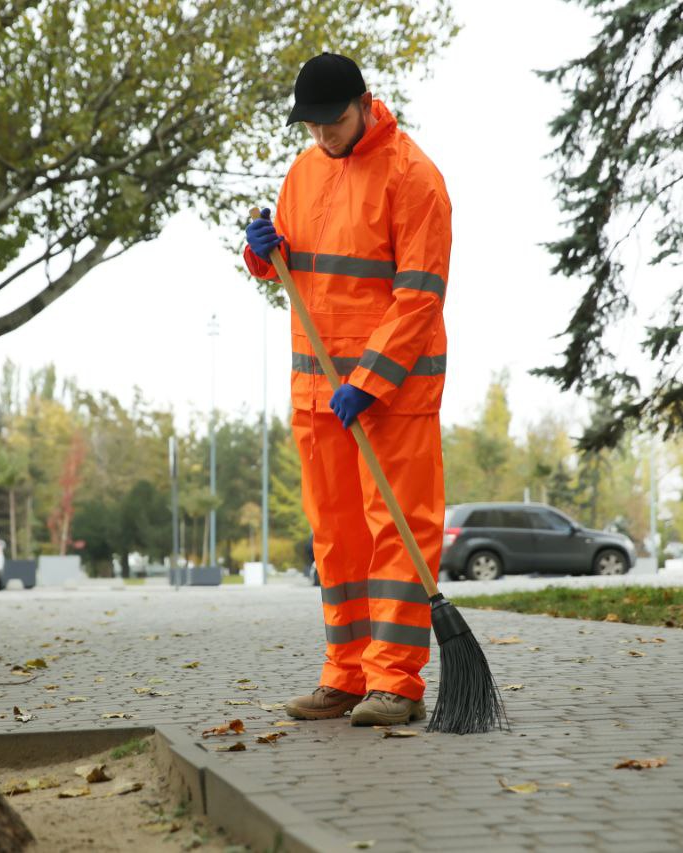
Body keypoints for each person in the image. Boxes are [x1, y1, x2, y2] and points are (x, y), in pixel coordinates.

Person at [243, 53, 451, 726]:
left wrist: (368, 381)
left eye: (332, 122)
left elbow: (418, 297)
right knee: (336, 536)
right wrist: (258, 250)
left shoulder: (414, 178)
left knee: (397, 532)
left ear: (364, 103)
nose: (323, 136)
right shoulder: (303, 172)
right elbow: (286, 270)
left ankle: (396, 682)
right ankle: (347, 673)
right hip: (316, 394)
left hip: (390, 394)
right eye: (312, 126)